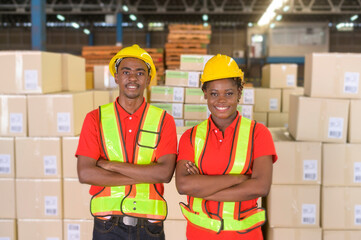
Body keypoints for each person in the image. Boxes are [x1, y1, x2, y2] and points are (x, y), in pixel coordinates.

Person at [76, 44, 177, 240]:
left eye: (140, 73)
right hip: (107, 225)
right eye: (126, 72)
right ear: (116, 77)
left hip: (149, 227)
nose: (132, 78)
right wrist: (148, 174)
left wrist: (109, 165)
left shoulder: (164, 121)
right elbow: (86, 172)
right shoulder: (95, 118)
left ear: (148, 79)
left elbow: (164, 173)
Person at [175, 54, 278, 240]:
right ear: (205, 93)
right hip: (199, 235)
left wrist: (202, 188)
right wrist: (240, 178)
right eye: (214, 93)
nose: (221, 100)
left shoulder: (258, 134)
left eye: (228, 93)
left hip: (245, 236)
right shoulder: (191, 137)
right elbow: (183, 185)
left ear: (239, 92)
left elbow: (260, 187)